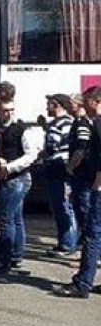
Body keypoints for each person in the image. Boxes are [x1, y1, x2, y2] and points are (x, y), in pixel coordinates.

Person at [0, 97, 43, 282]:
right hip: (4, 177)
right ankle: (14, 255)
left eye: (11, 110)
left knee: (6, 218)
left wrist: (10, 167)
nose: (8, 113)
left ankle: (5, 259)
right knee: (14, 218)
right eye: (5, 110)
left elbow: (31, 154)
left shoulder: (21, 129)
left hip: (18, 178)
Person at [54, 85, 101, 298]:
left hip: (97, 184)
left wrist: (97, 183)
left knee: (92, 234)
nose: (84, 105)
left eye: (86, 100)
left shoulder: (98, 123)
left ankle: (82, 283)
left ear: (95, 101)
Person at [42, 94, 77, 257]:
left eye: (49, 104)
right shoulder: (53, 123)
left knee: (64, 206)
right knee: (57, 206)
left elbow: (61, 147)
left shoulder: (66, 123)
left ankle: (68, 243)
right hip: (51, 167)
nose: (47, 107)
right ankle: (63, 241)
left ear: (57, 105)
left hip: (60, 168)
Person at [66, 93, 93, 249]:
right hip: (80, 174)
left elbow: (81, 149)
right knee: (80, 210)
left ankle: (90, 249)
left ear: (79, 104)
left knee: (85, 211)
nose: (69, 106)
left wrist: (71, 166)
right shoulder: (77, 122)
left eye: (71, 103)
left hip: (82, 174)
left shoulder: (82, 123)